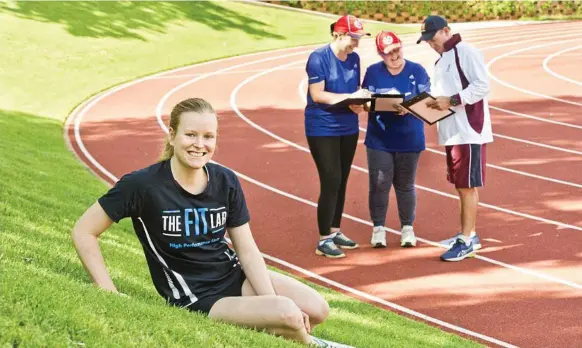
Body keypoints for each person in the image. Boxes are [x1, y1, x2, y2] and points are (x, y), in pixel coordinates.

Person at [71, 98, 334, 346]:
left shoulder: (225, 180)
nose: (200, 144)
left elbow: (247, 250)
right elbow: (84, 231)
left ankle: (275, 325)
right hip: (197, 297)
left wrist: (269, 301)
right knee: (289, 313)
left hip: (232, 276)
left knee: (317, 309)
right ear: (172, 135)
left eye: (208, 136)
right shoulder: (142, 186)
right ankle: (311, 344)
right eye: (191, 135)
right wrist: (107, 289)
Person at [417, 15, 493, 261]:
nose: (431, 43)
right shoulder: (441, 61)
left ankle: (467, 239)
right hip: (451, 132)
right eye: (427, 40)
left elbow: (482, 85)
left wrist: (450, 101)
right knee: (460, 185)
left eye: (432, 38)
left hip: (468, 130)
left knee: (466, 186)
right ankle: (467, 233)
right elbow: (441, 96)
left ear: (446, 31)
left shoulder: (466, 52)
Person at [304, 14, 371, 259]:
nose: (356, 43)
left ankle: (334, 230)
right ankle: (323, 239)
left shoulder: (354, 59)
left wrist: (359, 103)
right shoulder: (318, 58)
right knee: (331, 179)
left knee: (342, 179)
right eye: (353, 38)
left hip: (348, 127)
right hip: (322, 127)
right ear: (338, 34)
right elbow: (318, 94)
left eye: (359, 38)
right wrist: (347, 98)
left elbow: (353, 92)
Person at [361, 31, 431, 249]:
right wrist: (376, 104)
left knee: (405, 185)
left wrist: (408, 108)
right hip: (379, 139)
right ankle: (378, 228)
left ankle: (407, 228)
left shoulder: (417, 70)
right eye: (388, 53)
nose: (394, 56)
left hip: (410, 139)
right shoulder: (373, 72)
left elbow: (428, 102)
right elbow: (364, 101)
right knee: (379, 184)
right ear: (381, 55)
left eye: (397, 50)